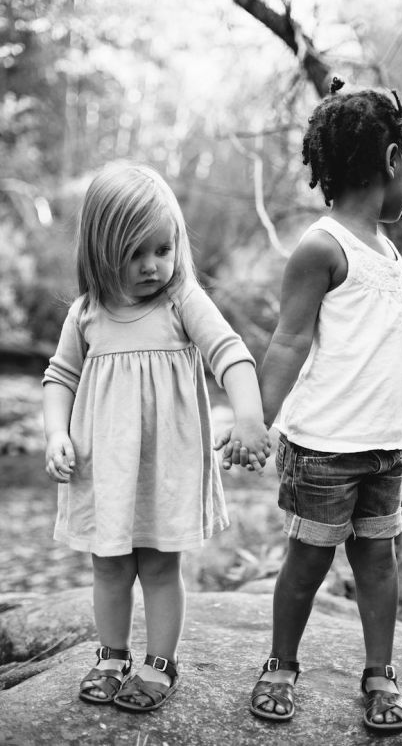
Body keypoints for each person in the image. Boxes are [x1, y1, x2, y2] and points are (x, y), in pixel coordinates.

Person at [42, 162, 270, 712]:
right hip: (105, 467)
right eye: (136, 253)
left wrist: (248, 416)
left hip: (168, 464)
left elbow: (230, 354)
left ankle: (159, 663)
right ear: (101, 249)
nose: (152, 266)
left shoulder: (181, 301)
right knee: (110, 563)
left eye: (163, 250)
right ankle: (112, 656)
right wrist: (55, 434)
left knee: (161, 563)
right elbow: (59, 377)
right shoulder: (87, 313)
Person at [244, 77, 402, 731]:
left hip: (384, 446)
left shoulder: (387, 248)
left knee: (377, 557)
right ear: (393, 162)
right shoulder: (322, 246)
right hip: (323, 449)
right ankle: (280, 664)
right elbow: (287, 343)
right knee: (308, 559)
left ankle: (380, 674)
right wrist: (255, 420)